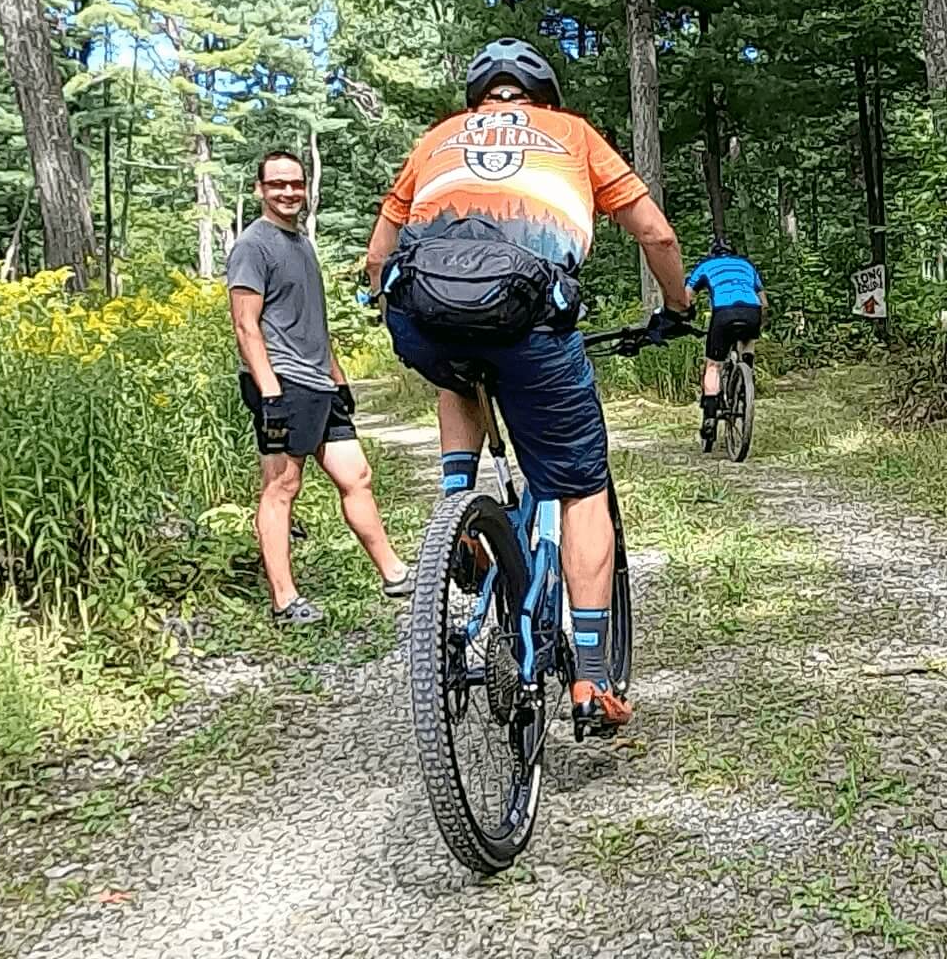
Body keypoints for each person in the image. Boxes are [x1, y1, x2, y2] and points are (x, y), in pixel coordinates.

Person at [363, 38, 694, 735]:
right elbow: (657, 236)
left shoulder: (438, 139)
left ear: (479, 96)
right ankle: (593, 680)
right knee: (581, 488)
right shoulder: (571, 133)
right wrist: (677, 309)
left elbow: (376, 255)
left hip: (423, 314)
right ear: (542, 95)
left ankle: (459, 512)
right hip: (529, 318)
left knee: (456, 367)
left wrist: (388, 305)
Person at [229, 150, 414, 626]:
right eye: (277, 185)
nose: (288, 192)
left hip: (318, 385)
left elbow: (312, 322)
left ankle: (395, 573)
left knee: (357, 478)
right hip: (281, 384)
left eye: (295, 184)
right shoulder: (254, 245)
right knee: (281, 487)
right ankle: (285, 600)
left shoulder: (301, 242)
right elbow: (247, 327)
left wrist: (338, 377)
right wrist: (270, 395)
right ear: (259, 190)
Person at [683, 238, 767, 449]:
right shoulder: (746, 265)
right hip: (751, 310)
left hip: (723, 312)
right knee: (748, 342)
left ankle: (710, 415)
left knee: (713, 365)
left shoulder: (706, 265)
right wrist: (759, 323)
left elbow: (686, 297)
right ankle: (745, 377)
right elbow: (764, 302)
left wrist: (685, 314)